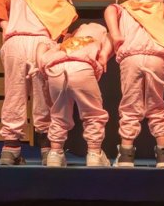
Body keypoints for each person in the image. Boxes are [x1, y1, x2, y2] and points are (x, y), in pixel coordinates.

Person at [0, 0, 78, 165]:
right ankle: (48, 149)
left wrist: (5, 25)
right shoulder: (62, 7)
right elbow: (63, 33)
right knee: (45, 96)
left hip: (15, 43)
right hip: (43, 45)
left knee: (14, 93)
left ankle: (10, 148)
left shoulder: (17, 1)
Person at [104, 0, 164, 168]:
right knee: (156, 105)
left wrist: (115, 34)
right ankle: (163, 153)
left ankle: (126, 153)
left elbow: (110, 9)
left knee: (130, 105)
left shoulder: (124, 9)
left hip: (131, 59)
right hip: (157, 59)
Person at [35, 23, 112, 167]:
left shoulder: (67, 42)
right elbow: (109, 47)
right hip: (82, 67)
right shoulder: (104, 36)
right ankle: (94, 153)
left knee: (58, 114)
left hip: (56, 68)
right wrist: (104, 55)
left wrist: (40, 63)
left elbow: (41, 45)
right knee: (93, 114)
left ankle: (55, 153)